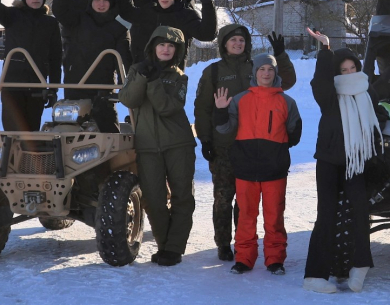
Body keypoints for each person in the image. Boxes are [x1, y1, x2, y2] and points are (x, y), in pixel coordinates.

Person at [194, 25, 297, 261]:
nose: (238, 44)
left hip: (252, 147)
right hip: (223, 145)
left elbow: (286, 81)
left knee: (245, 201)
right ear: (224, 43)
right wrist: (205, 139)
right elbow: (202, 108)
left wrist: (280, 55)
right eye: (233, 40)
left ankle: (243, 245)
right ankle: (223, 244)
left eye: (242, 40)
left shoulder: (256, 67)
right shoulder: (213, 71)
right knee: (223, 197)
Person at [305, 28, 380, 293]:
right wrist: (326, 50)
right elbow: (320, 80)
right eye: (343, 70)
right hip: (328, 161)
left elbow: (378, 126)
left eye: (352, 68)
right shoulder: (328, 94)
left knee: (359, 214)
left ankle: (359, 267)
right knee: (326, 215)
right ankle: (314, 276)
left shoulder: (368, 93)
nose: (348, 74)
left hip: (357, 163)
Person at [214, 54, 303, 274]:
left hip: (274, 169)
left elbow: (294, 134)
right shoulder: (240, 99)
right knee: (246, 217)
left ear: (275, 73)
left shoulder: (287, 102)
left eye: (270, 69)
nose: (266, 73)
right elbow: (224, 129)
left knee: (274, 218)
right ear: (255, 73)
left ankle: (274, 259)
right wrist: (221, 110)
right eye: (262, 69)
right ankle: (244, 258)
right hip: (245, 168)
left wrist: (277, 149)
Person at [118, 25, 196, 266]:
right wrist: (142, 77)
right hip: (147, 146)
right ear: (153, 47)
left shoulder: (179, 77)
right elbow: (128, 99)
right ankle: (164, 244)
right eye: (161, 44)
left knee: (182, 196)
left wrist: (152, 81)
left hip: (178, 144)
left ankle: (174, 248)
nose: (166, 49)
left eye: (171, 46)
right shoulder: (136, 70)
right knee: (153, 198)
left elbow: (167, 107)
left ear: (177, 50)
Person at [0, 0, 61, 133]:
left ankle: (28, 161)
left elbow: (55, 57)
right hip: (12, 84)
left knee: (31, 132)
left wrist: (53, 89)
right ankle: (11, 160)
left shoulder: (50, 23)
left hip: (37, 86)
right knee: (14, 132)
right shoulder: (12, 16)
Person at [56, 0, 128, 132]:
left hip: (103, 88)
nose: (101, 4)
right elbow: (59, 10)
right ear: (90, 1)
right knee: (70, 132)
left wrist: (124, 83)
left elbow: (123, 56)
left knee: (108, 132)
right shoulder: (77, 20)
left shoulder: (117, 26)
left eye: (105, 0)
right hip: (75, 86)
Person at [120, 0, 217, 65]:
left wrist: (208, 5)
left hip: (172, 76)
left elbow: (207, 34)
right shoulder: (148, 12)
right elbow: (126, 12)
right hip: (144, 73)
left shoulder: (185, 15)